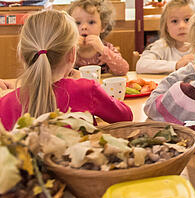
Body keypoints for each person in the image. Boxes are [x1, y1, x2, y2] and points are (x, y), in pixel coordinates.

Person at [0, 10, 132, 131]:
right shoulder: (87, 89)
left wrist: (17, 91)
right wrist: (81, 82)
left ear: (22, 56)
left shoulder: (6, 102)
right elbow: (125, 116)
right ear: (72, 54)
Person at [68, 0, 129, 76]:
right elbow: (58, 73)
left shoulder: (106, 48)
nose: (84, 27)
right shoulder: (68, 50)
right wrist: (72, 49)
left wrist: (103, 50)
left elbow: (123, 70)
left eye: (91, 22)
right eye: (78, 23)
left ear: (103, 26)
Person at [136, 0, 195, 74]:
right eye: (174, 21)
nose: (181, 26)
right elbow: (141, 65)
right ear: (166, 27)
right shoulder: (161, 46)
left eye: (187, 20)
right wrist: (176, 65)